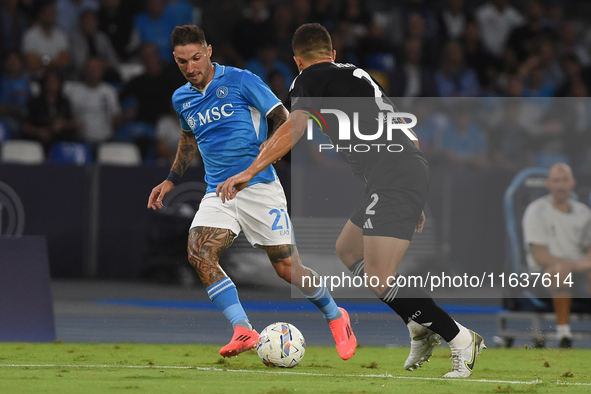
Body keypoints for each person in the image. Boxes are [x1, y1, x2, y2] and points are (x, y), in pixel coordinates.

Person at [217, 23, 485, 378]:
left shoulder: (308, 79)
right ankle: (419, 326)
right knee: (348, 250)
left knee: (379, 276)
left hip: (393, 175)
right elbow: (411, 136)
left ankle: (461, 338)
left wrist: (249, 172)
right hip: (399, 171)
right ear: (333, 53)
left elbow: (296, 127)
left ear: (297, 61)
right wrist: (415, 194)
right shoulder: (359, 76)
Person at [147, 25, 356, 360]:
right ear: (175, 60)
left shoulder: (242, 80)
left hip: (259, 187)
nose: (191, 67)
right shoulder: (181, 98)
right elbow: (188, 138)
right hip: (219, 191)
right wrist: (172, 178)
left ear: (209, 51)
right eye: (182, 61)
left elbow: (284, 119)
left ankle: (336, 315)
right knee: (199, 252)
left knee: (288, 269)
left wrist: (256, 164)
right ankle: (243, 329)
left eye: (196, 58)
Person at [522, 163, 591, 348]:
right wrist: (573, 265)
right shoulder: (536, 211)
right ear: (549, 184)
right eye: (556, 181)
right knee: (561, 271)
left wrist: (584, 263)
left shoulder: (584, 213)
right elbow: (539, 255)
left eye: (564, 180)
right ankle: (563, 332)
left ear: (572, 183)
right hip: (545, 272)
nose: (560, 185)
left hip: (579, 271)